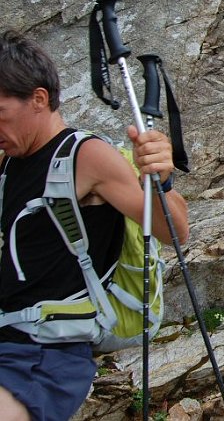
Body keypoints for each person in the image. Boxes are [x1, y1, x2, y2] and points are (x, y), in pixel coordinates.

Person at [0, 30, 189, 421]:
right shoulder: (8, 165)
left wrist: (162, 179)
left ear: (38, 99)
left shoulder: (85, 157)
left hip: (45, 358)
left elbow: (175, 232)